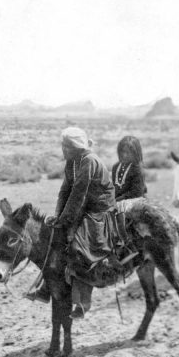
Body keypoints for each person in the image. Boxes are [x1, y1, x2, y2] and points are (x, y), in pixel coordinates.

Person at [26, 127, 116, 319]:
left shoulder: (89, 161)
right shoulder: (72, 163)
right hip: (82, 206)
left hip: (99, 209)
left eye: (67, 146)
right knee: (54, 239)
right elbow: (65, 192)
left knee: (79, 246)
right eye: (63, 145)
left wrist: (65, 220)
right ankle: (46, 288)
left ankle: (83, 301)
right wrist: (58, 216)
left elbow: (79, 194)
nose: (64, 149)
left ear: (77, 146)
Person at [112, 135, 147, 201]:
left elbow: (136, 193)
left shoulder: (137, 168)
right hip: (117, 200)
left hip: (134, 202)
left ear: (135, 153)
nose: (124, 155)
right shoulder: (115, 167)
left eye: (128, 153)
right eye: (123, 151)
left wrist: (117, 200)